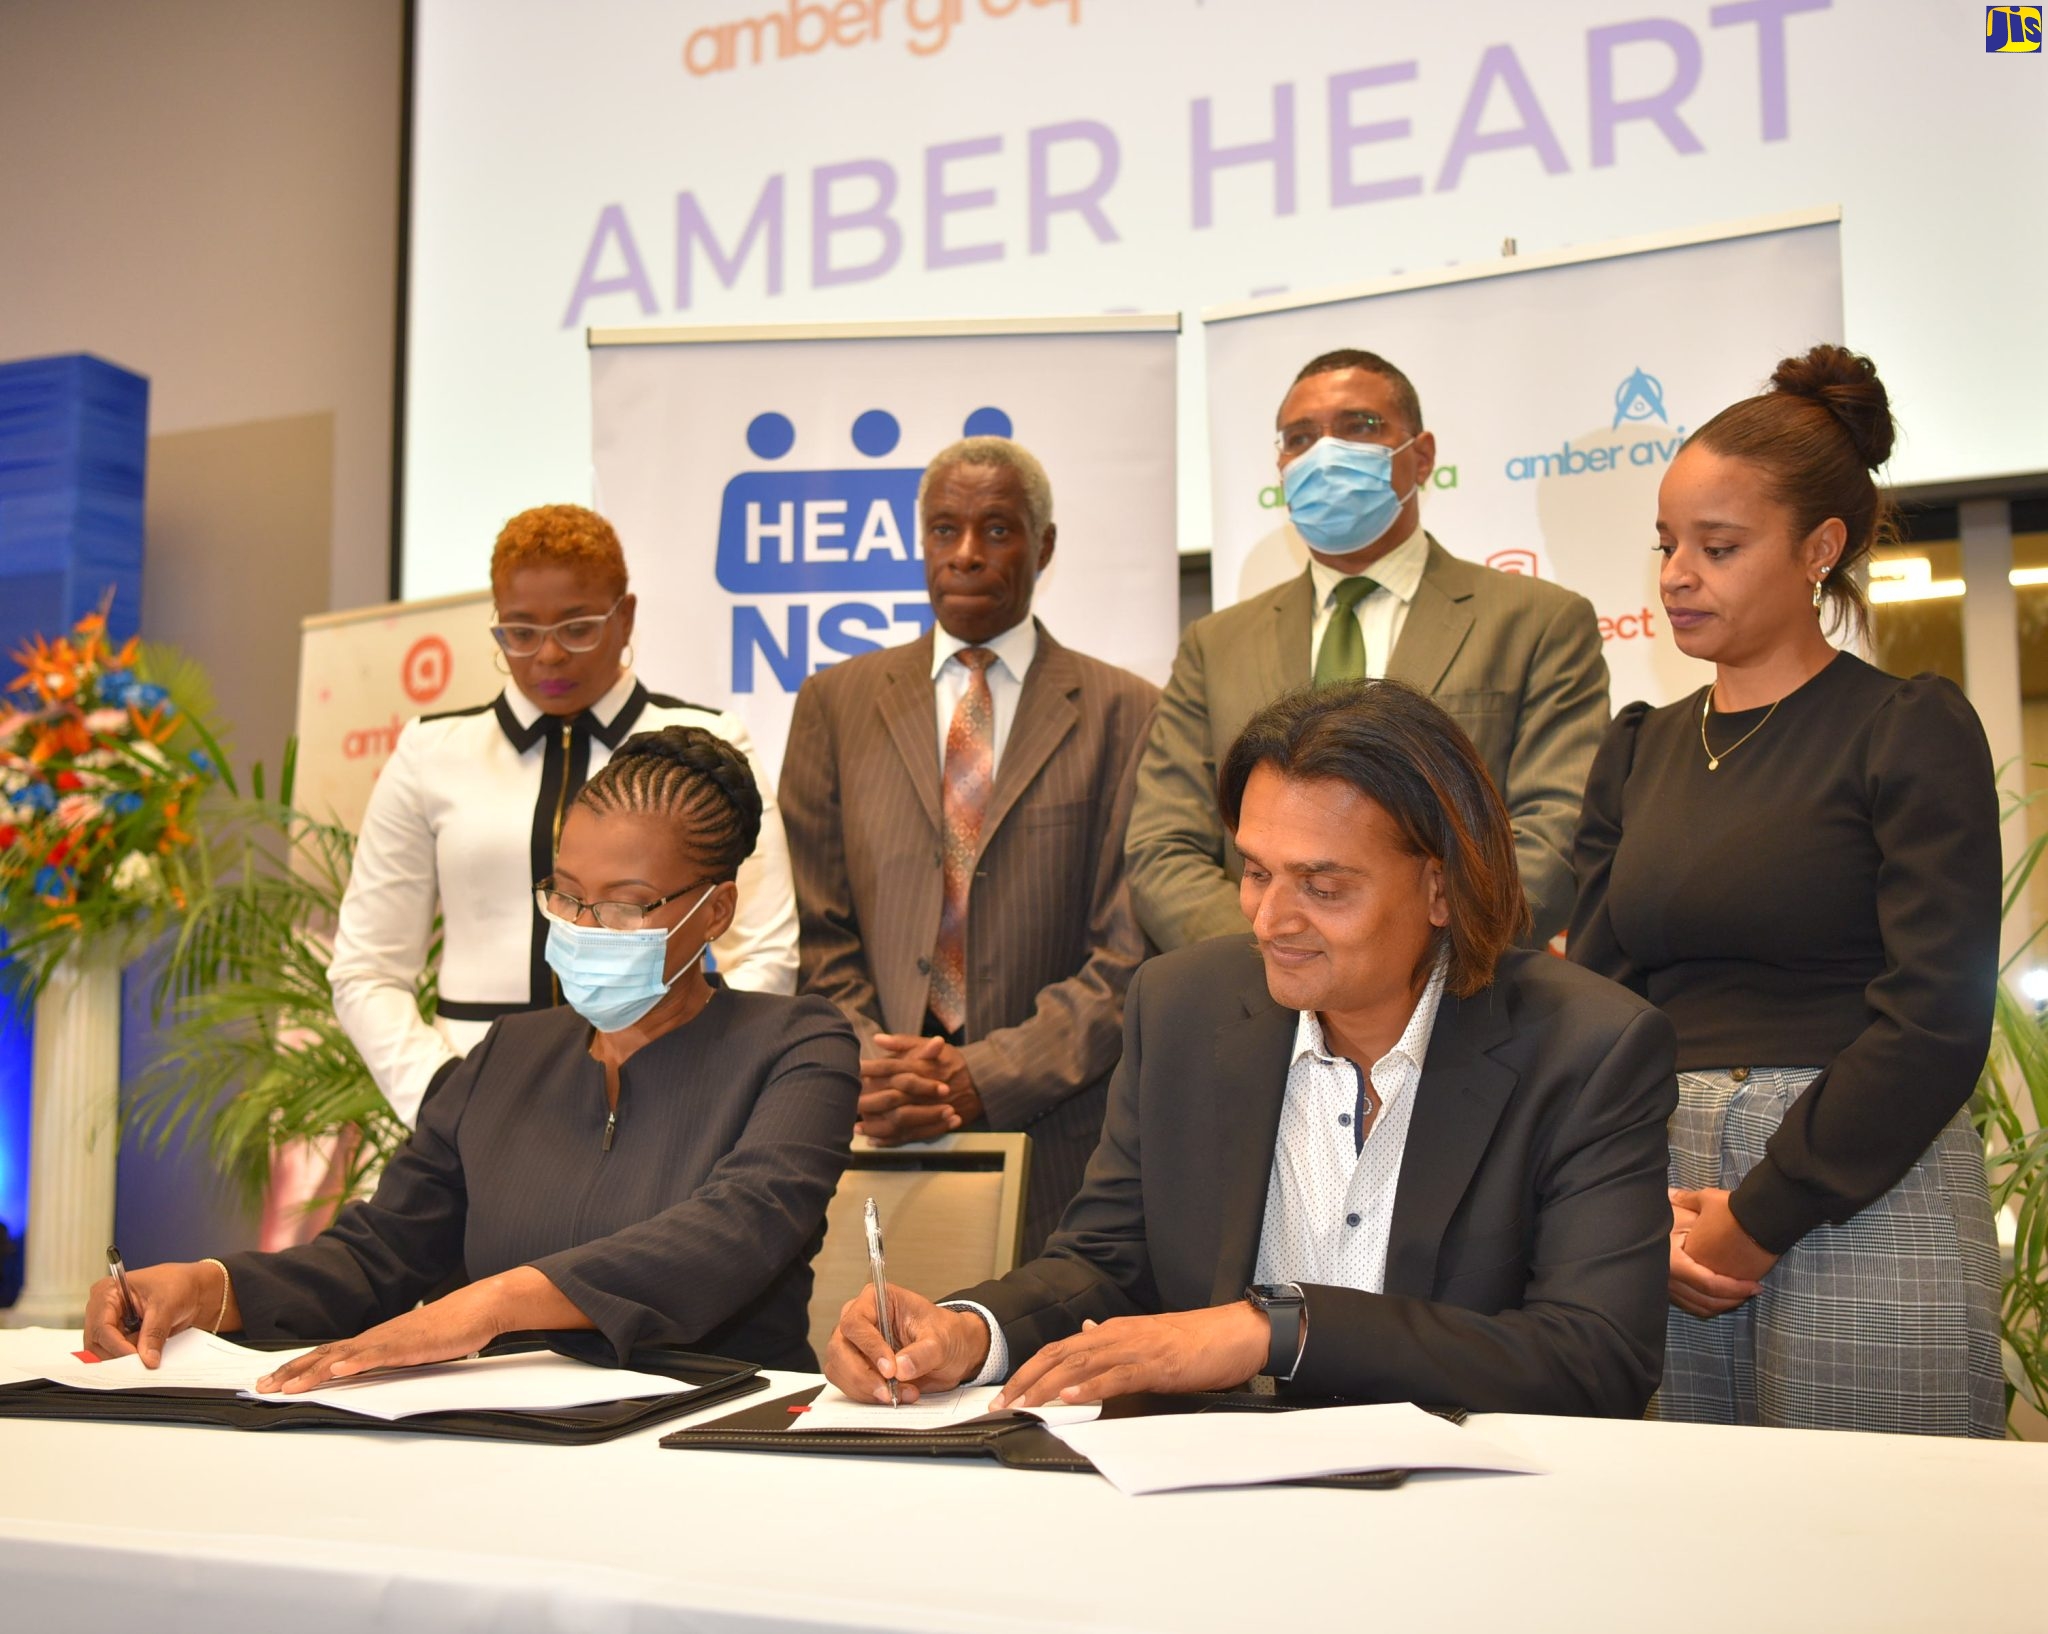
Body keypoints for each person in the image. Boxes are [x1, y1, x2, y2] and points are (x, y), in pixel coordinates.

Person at [826, 681, 1677, 1416]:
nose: (1271, 922)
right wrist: (967, 1333)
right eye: (1257, 873)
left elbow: (1594, 1357)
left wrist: (1280, 1328)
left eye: (1323, 887)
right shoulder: (1182, 1007)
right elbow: (1105, 1265)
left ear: (1443, 887)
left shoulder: (1586, 1048)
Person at [83, 727, 858, 1378]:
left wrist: (489, 1306)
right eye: (566, 895)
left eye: (625, 906)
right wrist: (206, 1288)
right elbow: (379, 1255)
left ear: (716, 911)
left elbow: (732, 1233)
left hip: (711, 1439)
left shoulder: (798, 1046)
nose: (583, 926)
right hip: (504, 1444)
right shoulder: (509, 1054)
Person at [1568, 344, 2004, 1437]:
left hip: (1861, 1181)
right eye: (1666, 544)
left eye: (1717, 547)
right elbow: (1598, 1008)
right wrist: (1632, 1198)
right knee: (1687, 1531)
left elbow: (1935, 1016)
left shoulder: (1904, 728)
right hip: (1664, 1206)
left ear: (1820, 548)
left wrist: (1764, 1212)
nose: (1677, 574)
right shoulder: (1637, 749)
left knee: (1876, 1529)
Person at [780, 437, 1159, 1256]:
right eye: (944, 529)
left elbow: (1129, 954)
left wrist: (986, 1075)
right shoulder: (833, 704)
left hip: (1057, 1150)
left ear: (1043, 547)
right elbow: (813, 930)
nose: (965, 554)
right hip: (871, 1129)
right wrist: (870, 1062)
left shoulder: (1128, 712)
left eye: (997, 530)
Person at [329, 503, 799, 1128]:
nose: (548, 655)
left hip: (665, 1100)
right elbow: (367, 968)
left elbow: (766, 950)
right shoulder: (431, 752)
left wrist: (696, 1078)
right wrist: (440, 1093)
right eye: (520, 633)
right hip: (470, 1095)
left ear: (625, 617)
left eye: (578, 628)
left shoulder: (706, 742)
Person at [1128, 348, 1609, 951]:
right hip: (1259, 981)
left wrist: (1410, 965)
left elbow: (1556, 830)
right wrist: (1280, 955)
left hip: (1461, 984)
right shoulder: (1215, 644)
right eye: (1300, 438)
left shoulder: (1537, 621)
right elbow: (1163, 846)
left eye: (1359, 427)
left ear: (1421, 456)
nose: (1325, 454)